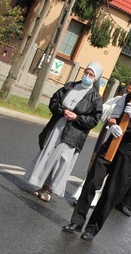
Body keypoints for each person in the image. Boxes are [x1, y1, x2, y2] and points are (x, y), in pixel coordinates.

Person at [62, 74, 131, 241]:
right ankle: (76, 220)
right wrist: (113, 125)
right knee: (92, 181)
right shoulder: (128, 97)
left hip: (129, 154)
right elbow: (112, 117)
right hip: (111, 145)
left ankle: (92, 228)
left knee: (111, 192)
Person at [24, 61, 103, 202]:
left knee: (60, 161)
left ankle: (49, 190)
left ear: (95, 78)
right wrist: (62, 111)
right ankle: (41, 186)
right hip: (58, 126)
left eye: (91, 75)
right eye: (86, 72)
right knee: (48, 154)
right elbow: (54, 100)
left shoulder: (95, 98)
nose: (87, 76)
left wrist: (76, 117)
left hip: (73, 133)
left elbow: (94, 120)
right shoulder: (70, 86)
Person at [71, 80, 131, 207]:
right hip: (107, 136)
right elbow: (102, 111)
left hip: (121, 144)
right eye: (126, 90)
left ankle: (96, 199)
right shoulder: (118, 99)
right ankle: (81, 196)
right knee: (94, 171)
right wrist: (112, 112)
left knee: (106, 176)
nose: (127, 93)